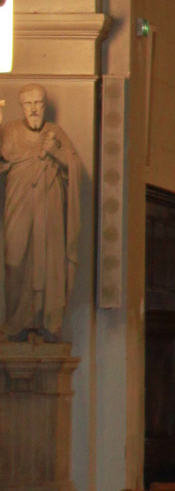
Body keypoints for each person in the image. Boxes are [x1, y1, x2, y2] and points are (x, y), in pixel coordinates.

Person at [1, 85, 83, 340]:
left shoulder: (55, 133)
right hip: (19, 203)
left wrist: (54, 153)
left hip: (48, 207)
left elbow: (74, 168)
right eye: (28, 104)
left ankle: (40, 323)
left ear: (45, 105)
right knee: (14, 260)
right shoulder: (10, 132)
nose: (34, 109)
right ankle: (15, 321)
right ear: (21, 106)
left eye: (38, 103)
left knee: (47, 262)